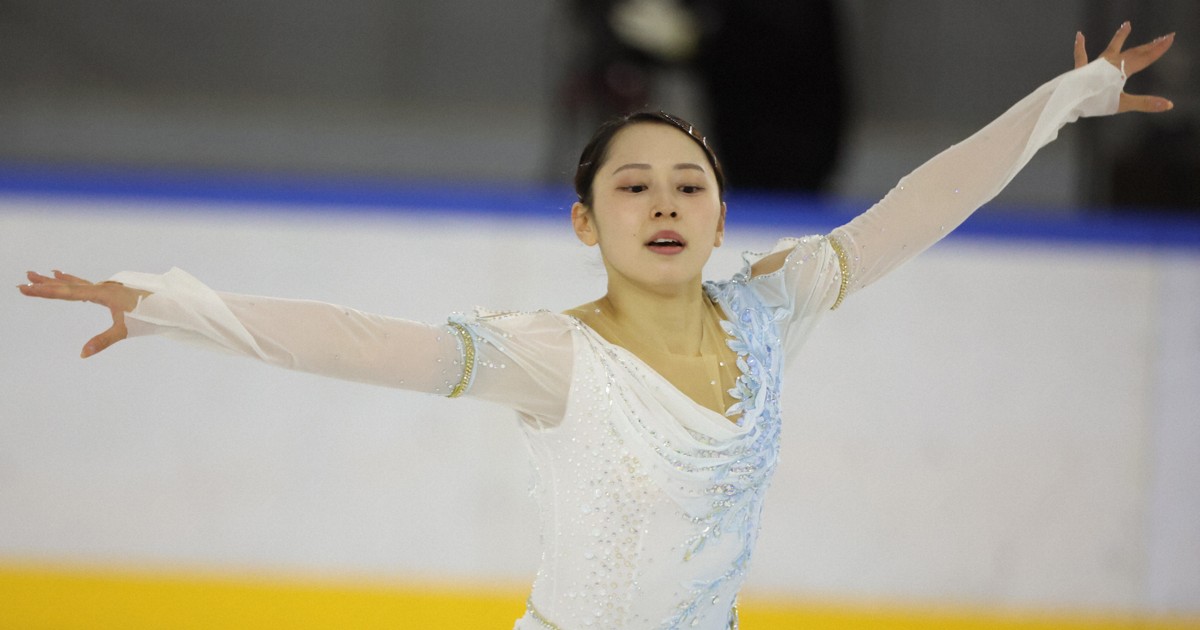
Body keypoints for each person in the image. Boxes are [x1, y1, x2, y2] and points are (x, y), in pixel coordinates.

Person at [18, 25, 1175, 630]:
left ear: (721, 212)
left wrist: (1060, 105)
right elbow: (360, 340)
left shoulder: (770, 310)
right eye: (634, 186)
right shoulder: (554, 354)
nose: (665, 202)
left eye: (689, 183)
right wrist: (171, 304)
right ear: (585, 221)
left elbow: (916, 209)